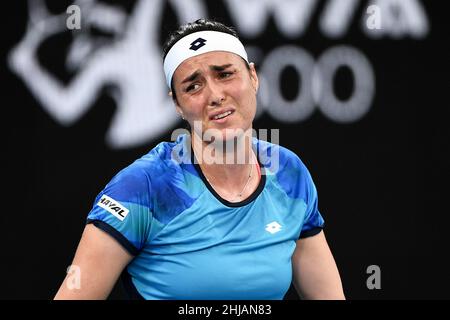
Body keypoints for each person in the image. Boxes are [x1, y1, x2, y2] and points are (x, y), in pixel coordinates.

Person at [54, 19, 345, 300]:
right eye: (193, 86)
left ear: (253, 77)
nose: (215, 95)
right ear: (177, 105)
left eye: (225, 74)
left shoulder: (288, 173)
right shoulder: (140, 188)